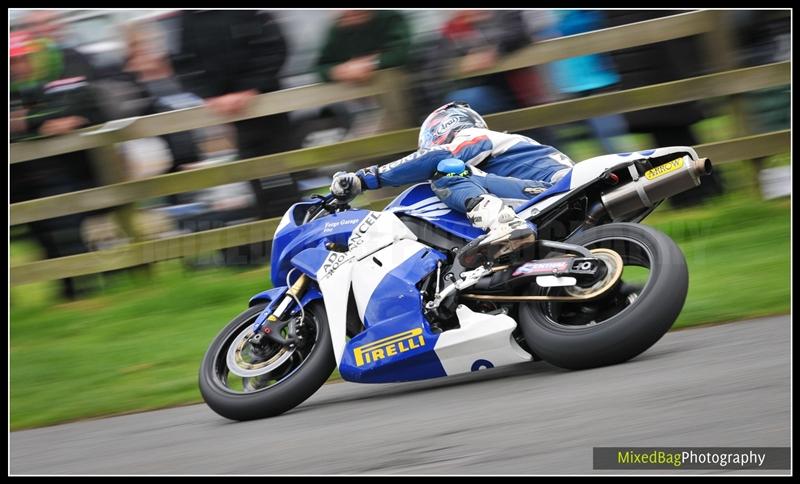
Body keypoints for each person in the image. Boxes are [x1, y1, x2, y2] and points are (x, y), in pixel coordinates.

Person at [330, 102, 574, 267]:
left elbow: (435, 158)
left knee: (445, 172)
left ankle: (505, 225)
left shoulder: (471, 137)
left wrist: (365, 179)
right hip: (548, 191)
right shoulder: (501, 150)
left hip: (549, 190)